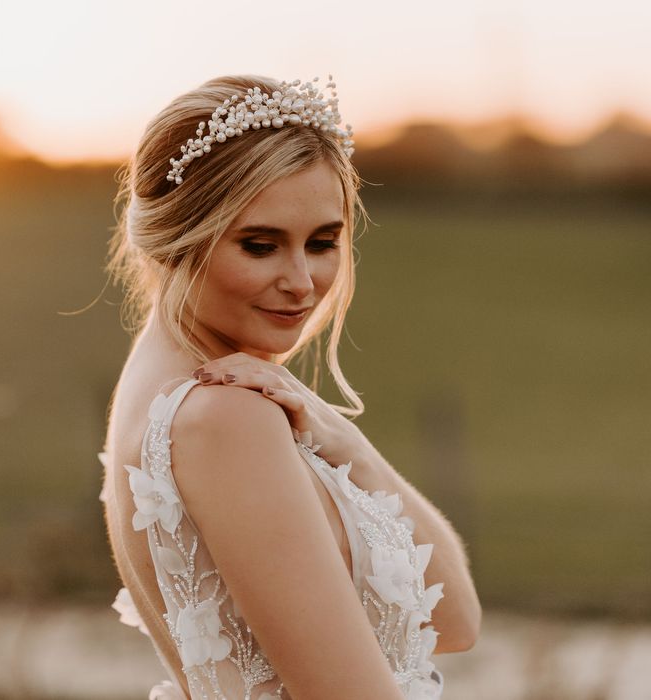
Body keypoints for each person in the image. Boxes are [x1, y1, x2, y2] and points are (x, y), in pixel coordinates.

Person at [99, 74, 481, 700]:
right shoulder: (225, 418)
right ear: (177, 237)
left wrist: (346, 443)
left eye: (323, 243)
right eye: (260, 245)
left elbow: (453, 621)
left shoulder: (166, 390)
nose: (302, 281)